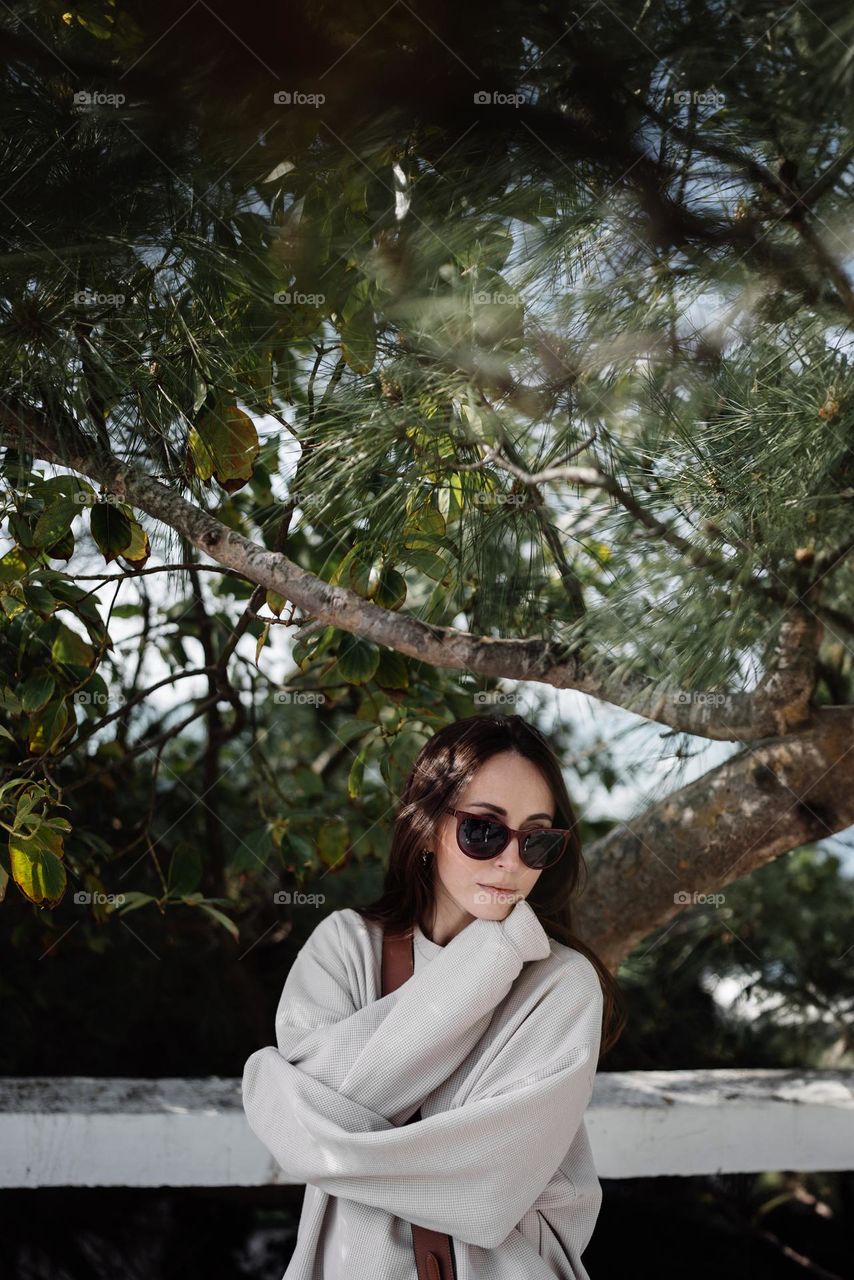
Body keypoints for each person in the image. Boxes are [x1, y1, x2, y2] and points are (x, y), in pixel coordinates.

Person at [242, 712, 625, 1279]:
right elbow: (296, 1134)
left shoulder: (561, 985)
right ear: (427, 826)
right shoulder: (346, 946)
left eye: (538, 840)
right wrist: (489, 958)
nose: (512, 862)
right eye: (484, 830)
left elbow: (488, 1189)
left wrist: (334, 1132)